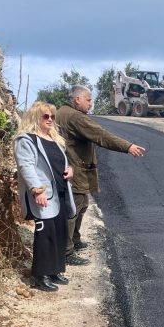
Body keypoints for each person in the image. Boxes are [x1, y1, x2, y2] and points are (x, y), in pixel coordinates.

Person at [56, 85, 146, 265]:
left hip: (71, 167)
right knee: (74, 208)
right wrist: (127, 146)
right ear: (77, 100)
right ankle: (66, 252)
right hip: (74, 169)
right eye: (88, 100)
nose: (91, 104)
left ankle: (74, 240)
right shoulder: (75, 117)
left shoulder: (62, 112)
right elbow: (100, 135)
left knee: (81, 205)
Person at [14, 101, 77, 292]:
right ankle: (40, 275)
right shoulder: (26, 140)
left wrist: (70, 170)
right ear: (35, 117)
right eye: (45, 116)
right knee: (45, 234)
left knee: (59, 231)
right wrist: (36, 189)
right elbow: (26, 166)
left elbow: (62, 163)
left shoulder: (54, 139)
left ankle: (55, 271)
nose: (50, 120)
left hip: (61, 192)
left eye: (52, 116)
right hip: (44, 195)